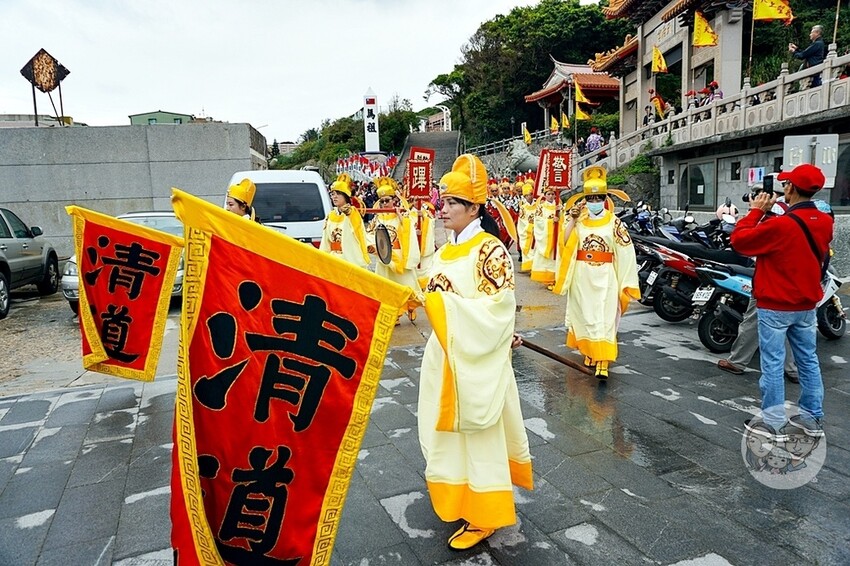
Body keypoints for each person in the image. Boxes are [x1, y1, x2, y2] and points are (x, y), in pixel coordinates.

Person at [418, 153, 532, 551]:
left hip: (476, 362)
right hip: (443, 356)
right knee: (445, 436)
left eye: (452, 202)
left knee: (480, 439)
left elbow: (498, 308)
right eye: (443, 200)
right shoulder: (444, 250)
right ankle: (458, 497)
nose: (443, 208)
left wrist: (440, 304)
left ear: (474, 208)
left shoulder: (490, 251)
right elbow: (435, 292)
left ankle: (484, 514)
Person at [731, 163, 834, 439]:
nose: (784, 188)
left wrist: (756, 211)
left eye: (786, 184)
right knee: (808, 361)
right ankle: (812, 419)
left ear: (791, 188)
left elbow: (740, 241)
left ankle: (774, 424)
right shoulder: (825, 221)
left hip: (776, 304)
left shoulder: (781, 225)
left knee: (773, 365)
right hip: (806, 304)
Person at [554, 166, 640, 379]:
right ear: (584, 200)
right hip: (582, 276)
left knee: (604, 317)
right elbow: (564, 242)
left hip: (605, 276)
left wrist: (626, 281)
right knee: (584, 315)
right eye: (590, 198)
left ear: (605, 199)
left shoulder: (614, 222)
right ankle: (590, 352)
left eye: (598, 198)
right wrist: (572, 220)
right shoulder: (580, 220)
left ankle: (603, 360)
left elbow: (626, 250)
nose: (594, 202)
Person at [367, 178, 422, 322]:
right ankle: (394, 313)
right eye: (382, 201)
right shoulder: (377, 218)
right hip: (384, 256)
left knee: (406, 284)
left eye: (387, 200)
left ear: (394, 200)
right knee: (386, 286)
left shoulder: (402, 214)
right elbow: (370, 234)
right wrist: (372, 246)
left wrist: (401, 217)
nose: (385, 204)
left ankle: (411, 306)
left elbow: (410, 228)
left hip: (398, 256)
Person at [319, 174, 370, 268]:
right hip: (333, 259)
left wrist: (348, 212)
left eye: (338, 194)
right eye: (332, 194)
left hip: (349, 259)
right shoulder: (330, 215)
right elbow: (325, 241)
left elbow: (358, 231)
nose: (334, 197)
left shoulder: (353, 213)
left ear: (345, 196)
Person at [529, 186, 561, 288]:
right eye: (548, 194)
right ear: (545, 195)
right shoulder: (541, 207)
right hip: (545, 237)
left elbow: (565, 220)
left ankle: (555, 278)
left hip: (557, 236)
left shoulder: (559, 207)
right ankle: (546, 278)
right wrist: (551, 221)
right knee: (545, 259)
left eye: (552, 194)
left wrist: (560, 216)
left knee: (556, 257)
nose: (551, 196)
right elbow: (538, 221)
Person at [517, 182, 537, 272]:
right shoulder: (523, 208)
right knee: (527, 247)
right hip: (527, 230)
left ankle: (534, 266)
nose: (530, 197)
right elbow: (522, 221)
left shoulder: (537, 205)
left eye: (531, 194)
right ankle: (528, 266)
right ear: (524, 197)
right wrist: (529, 226)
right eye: (527, 195)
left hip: (536, 230)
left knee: (535, 248)